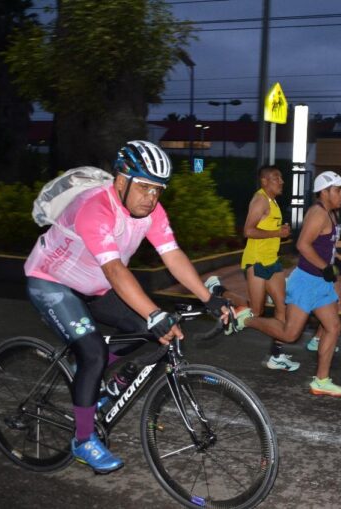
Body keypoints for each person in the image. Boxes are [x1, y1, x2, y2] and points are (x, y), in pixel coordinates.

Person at [24, 141, 232, 473]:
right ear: (121, 181)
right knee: (92, 352)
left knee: (143, 331)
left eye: (158, 189)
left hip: (96, 286)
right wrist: (155, 313)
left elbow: (172, 256)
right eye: (145, 186)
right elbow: (116, 271)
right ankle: (83, 440)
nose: (152, 196)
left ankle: (97, 380)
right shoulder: (95, 208)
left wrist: (209, 299)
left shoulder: (152, 212)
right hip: (53, 283)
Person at [239, 171, 341, 397]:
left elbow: (325, 244)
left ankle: (321, 380)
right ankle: (247, 319)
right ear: (325, 192)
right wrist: (325, 267)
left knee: (333, 327)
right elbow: (303, 245)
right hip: (306, 282)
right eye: (339, 189)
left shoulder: (331, 214)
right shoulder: (318, 213)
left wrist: (336, 260)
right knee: (290, 334)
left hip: (321, 284)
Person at [239, 165, 299, 372]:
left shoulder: (273, 202)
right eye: (276, 178)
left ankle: (277, 354)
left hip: (272, 262)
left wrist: (281, 232)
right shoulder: (260, 200)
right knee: (256, 311)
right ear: (264, 181)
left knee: (283, 307)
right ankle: (219, 291)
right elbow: (247, 230)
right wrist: (277, 233)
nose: (281, 181)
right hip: (256, 262)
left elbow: (270, 230)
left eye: (281, 178)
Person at [306, 184, 341, 353]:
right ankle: (316, 340)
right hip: (318, 270)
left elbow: (328, 241)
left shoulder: (334, 213)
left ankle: (317, 339)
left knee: (334, 305)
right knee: (293, 324)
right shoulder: (322, 212)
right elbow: (311, 242)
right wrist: (334, 255)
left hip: (328, 268)